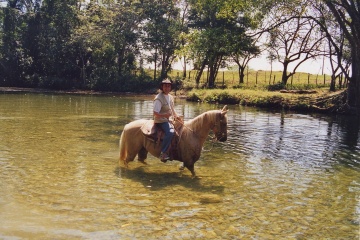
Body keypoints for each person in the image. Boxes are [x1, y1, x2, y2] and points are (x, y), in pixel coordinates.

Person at [153, 78, 179, 162]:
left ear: (170, 87)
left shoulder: (170, 97)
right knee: (170, 132)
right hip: (160, 120)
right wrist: (165, 115)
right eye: (165, 86)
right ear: (162, 87)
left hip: (168, 119)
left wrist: (176, 116)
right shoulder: (159, 98)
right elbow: (155, 113)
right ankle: (163, 153)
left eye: (168, 86)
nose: (167, 88)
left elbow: (172, 109)